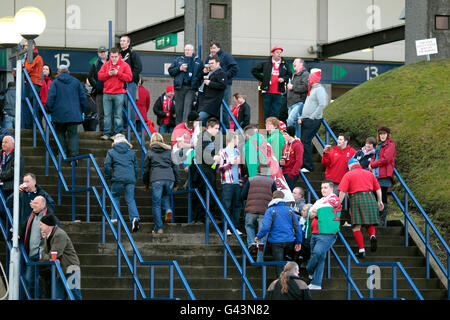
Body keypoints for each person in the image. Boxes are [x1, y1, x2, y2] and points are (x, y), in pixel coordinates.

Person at [338, 158, 384, 258]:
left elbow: (342, 191)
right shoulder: (369, 173)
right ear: (358, 164)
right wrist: (379, 201)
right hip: (370, 197)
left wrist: (338, 204)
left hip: (356, 199)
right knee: (369, 222)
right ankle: (372, 236)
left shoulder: (348, 174)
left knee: (356, 226)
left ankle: (361, 250)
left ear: (350, 166)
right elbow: (378, 188)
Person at [255, 191, 303, 278]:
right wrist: (298, 241)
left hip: (276, 241)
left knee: (279, 264)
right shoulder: (290, 210)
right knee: (289, 263)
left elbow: (265, 227)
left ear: (272, 198)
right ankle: (292, 281)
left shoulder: (270, 210)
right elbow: (297, 227)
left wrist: (259, 236)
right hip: (290, 240)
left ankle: (281, 284)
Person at [19, 196, 59, 298]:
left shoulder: (49, 217)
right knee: (29, 280)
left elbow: (57, 233)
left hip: (44, 254)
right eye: (32, 202)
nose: (32, 205)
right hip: (32, 255)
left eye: (36, 203)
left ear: (43, 205)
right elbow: (22, 227)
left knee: (43, 282)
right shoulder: (31, 216)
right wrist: (18, 234)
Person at [306, 180, 341, 290]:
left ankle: (309, 269)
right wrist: (316, 212)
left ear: (332, 189)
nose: (323, 190)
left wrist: (316, 212)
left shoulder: (334, 199)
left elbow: (320, 211)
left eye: (325, 187)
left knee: (317, 253)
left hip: (326, 233)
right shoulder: (320, 200)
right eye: (321, 188)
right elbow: (310, 214)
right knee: (319, 258)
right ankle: (316, 283)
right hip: (315, 232)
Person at [46, 64, 88, 159]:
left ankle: (62, 153)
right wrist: (82, 110)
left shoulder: (55, 83)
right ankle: (74, 156)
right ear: (68, 71)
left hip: (58, 114)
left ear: (58, 72)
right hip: (74, 114)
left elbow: (50, 99)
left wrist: (49, 110)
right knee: (73, 134)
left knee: (60, 133)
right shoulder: (76, 82)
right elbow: (83, 98)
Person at [143, 133, 180, 234]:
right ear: (162, 140)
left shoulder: (149, 152)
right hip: (169, 179)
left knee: (156, 204)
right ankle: (168, 209)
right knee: (165, 196)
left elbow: (146, 170)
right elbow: (176, 168)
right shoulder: (170, 151)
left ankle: (158, 228)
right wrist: (177, 183)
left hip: (156, 179)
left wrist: (146, 183)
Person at [39, 214, 82, 300]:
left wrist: (47, 256)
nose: (40, 227)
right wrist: (45, 239)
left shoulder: (59, 234)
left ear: (48, 225)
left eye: (41, 225)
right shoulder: (49, 235)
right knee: (58, 296)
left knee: (74, 295)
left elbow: (54, 254)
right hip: (60, 270)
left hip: (70, 268)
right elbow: (44, 254)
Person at [104, 134, 140, 231]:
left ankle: (115, 218)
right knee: (130, 199)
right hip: (130, 178)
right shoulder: (131, 152)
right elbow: (136, 167)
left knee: (115, 196)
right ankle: (135, 218)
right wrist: (134, 178)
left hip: (117, 178)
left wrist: (108, 177)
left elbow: (107, 166)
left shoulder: (111, 152)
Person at [241, 163, 277, 262]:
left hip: (251, 210)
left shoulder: (250, 180)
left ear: (258, 170)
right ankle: (259, 259)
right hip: (265, 211)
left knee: (249, 226)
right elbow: (276, 196)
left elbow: (243, 195)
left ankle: (252, 244)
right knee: (263, 235)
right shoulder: (271, 181)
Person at [98, 47, 133, 140]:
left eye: (115, 57)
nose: (113, 58)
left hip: (119, 93)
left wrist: (118, 73)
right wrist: (108, 74)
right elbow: (99, 76)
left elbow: (129, 78)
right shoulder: (106, 65)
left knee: (118, 115)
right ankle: (106, 133)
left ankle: (117, 134)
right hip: (107, 93)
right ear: (110, 56)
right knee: (107, 115)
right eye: (112, 56)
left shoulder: (125, 65)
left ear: (119, 56)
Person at [190, 118, 220, 224]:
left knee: (206, 194)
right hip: (203, 171)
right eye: (216, 128)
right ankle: (201, 217)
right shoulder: (205, 138)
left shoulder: (206, 138)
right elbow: (204, 155)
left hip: (205, 170)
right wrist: (214, 158)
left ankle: (201, 217)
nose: (217, 131)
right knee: (205, 194)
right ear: (209, 127)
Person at [251, 46, 292, 120]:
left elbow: (289, 74)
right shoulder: (265, 63)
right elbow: (254, 71)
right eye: (277, 52)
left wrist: (283, 79)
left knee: (276, 113)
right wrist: (263, 79)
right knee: (267, 113)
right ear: (272, 53)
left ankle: (274, 131)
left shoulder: (285, 64)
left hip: (278, 92)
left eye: (280, 53)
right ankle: (268, 131)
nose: (279, 54)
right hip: (266, 92)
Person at [299, 69, 327, 173]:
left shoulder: (319, 89)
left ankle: (308, 166)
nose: (308, 80)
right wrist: (303, 116)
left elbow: (322, 104)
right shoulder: (313, 89)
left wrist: (312, 116)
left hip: (312, 120)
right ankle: (304, 164)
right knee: (304, 141)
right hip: (306, 120)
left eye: (309, 78)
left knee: (305, 141)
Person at [206, 42, 239, 129]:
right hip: (212, 86)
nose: (212, 50)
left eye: (214, 48)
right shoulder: (209, 58)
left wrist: (225, 76)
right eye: (211, 48)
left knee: (223, 106)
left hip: (224, 85)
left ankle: (226, 128)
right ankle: (215, 127)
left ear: (219, 48)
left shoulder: (226, 56)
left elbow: (235, 68)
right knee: (213, 106)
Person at [168, 44, 204, 125]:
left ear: (192, 51)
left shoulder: (198, 61)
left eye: (188, 50)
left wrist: (197, 82)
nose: (186, 52)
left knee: (187, 108)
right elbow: (170, 71)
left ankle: (184, 127)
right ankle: (178, 128)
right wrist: (179, 68)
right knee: (179, 109)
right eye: (185, 50)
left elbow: (201, 74)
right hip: (180, 87)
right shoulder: (178, 60)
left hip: (191, 88)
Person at [369, 126, 396, 227]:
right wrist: (371, 163)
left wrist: (373, 164)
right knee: (375, 196)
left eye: (384, 134)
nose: (382, 136)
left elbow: (386, 159)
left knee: (382, 196)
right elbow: (373, 156)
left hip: (384, 174)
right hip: (376, 174)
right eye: (380, 134)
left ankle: (381, 220)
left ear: (387, 135)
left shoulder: (390, 144)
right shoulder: (378, 145)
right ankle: (375, 219)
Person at [217, 132, 243, 235]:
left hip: (237, 182)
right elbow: (219, 168)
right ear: (232, 139)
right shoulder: (222, 152)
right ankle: (226, 228)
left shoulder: (237, 151)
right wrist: (230, 163)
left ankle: (234, 227)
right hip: (227, 183)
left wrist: (240, 181)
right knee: (226, 206)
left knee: (237, 206)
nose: (238, 141)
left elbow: (240, 168)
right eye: (237, 139)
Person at [197, 55, 228, 125]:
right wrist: (204, 73)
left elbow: (223, 85)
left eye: (212, 63)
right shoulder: (209, 72)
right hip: (203, 101)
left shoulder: (221, 73)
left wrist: (210, 83)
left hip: (212, 103)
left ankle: (226, 130)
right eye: (209, 63)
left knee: (199, 119)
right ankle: (203, 135)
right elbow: (199, 82)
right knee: (203, 123)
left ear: (218, 63)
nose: (210, 65)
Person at [119, 36, 143, 128]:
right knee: (120, 105)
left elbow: (138, 68)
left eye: (124, 41)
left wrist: (129, 77)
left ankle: (131, 126)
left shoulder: (133, 54)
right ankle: (123, 126)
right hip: (120, 83)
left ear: (128, 43)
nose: (122, 43)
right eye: (121, 41)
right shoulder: (119, 54)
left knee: (130, 104)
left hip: (130, 83)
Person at [22, 40, 44, 129]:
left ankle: (30, 126)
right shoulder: (32, 56)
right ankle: (34, 127)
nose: (24, 47)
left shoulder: (33, 56)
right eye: (24, 45)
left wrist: (20, 67)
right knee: (31, 105)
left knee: (28, 105)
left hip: (32, 83)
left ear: (33, 46)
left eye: (26, 45)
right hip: (33, 83)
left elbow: (27, 68)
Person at [88, 46, 109, 132]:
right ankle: (102, 131)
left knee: (110, 113)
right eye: (101, 52)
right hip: (100, 92)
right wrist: (96, 85)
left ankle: (110, 131)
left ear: (107, 52)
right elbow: (90, 76)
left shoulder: (111, 62)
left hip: (111, 91)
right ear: (98, 54)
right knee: (100, 113)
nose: (103, 53)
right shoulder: (95, 64)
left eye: (104, 52)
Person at [286, 59, 309, 128]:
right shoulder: (294, 75)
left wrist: (292, 87)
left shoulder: (305, 74)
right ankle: (295, 138)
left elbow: (305, 87)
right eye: (293, 62)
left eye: (295, 62)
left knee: (290, 120)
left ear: (301, 64)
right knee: (294, 124)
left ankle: (291, 137)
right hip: (290, 104)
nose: (293, 63)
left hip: (299, 103)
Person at [0, 136, 25, 201]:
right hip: (2, 184)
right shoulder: (1, 153)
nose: (3, 144)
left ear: (13, 144)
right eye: (2, 142)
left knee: (7, 208)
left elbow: (13, 171)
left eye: (6, 142)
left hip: (11, 187)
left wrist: (1, 176)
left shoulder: (17, 155)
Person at [280, 126, 304, 191]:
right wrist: (281, 162)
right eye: (283, 134)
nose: (283, 136)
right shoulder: (285, 145)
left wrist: (292, 174)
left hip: (291, 173)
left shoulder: (298, 145)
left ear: (290, 135)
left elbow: (299, 161)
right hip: (284, 172)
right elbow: (285, 158)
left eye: (285, 134)